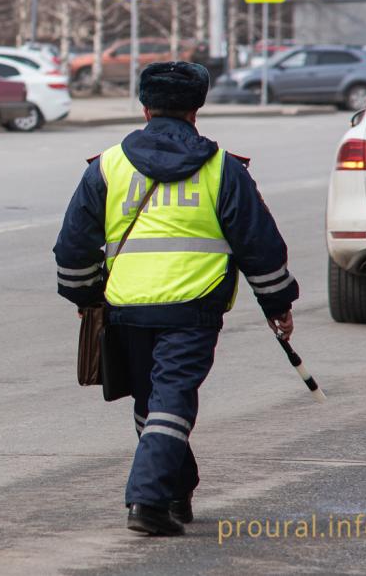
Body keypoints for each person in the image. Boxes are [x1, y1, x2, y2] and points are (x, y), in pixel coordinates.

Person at [53, 62, 299, 536]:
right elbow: (259, 244)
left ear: (144, 107)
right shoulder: (222, 169)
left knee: (154, 404)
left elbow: (72, 249)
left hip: (126, 307)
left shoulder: (107, 166)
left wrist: (87, 296)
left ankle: (174, 492)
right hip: (193, 306)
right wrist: (278, 305)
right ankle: (147, 503)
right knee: (168, 401)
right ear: (195, 110)